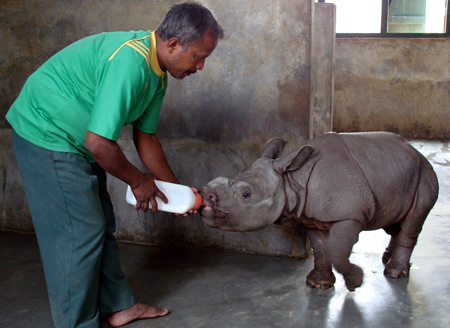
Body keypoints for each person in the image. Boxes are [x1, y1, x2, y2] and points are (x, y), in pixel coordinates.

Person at [6, 1, 224, 327]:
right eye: (199, 56)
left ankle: (119, 306)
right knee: (77, 235)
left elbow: (146, 139)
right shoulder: (131, 62)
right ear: (173, 44)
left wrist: (179, 195)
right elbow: (98, 143)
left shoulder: (157, 74)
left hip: (79, 140)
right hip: (46, 132)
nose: (201, 66)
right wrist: (138, 181)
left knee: (101, 224)